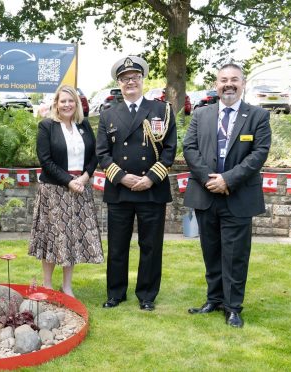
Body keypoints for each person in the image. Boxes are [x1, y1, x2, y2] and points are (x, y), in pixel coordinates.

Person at [183, 63, 271, 328]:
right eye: (223, 80)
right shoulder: (201, 114)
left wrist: (227, 180)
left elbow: (259, 154)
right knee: (211, 251)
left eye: (234, 79)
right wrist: (210, 180)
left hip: (238, 196)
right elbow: (189, 148)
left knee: (235, 255)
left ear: (242, 83)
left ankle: (233, 307)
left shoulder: (257, 116)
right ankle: (214, 299)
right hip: (206, 193)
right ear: (216, 83)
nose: (228, 84)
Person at [95, 56, 177, 311]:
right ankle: (115, 293)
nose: (130, 82)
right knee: (118, 245)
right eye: (124, 78)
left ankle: (147, 295)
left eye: (134, 77)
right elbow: (102, 153)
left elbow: (170, 149)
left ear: (142, 80)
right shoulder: (108, 114)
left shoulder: (161, 110)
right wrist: (121, 176)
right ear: (119, 83)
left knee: (150, 246)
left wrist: (150, 178)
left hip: (151, 189)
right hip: (120, 189)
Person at [29, 85, 104, 298]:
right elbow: (45, 160)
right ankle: (46, 284)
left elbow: (95, 154)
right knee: (53, 236)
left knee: (72, 238)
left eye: (71, 101)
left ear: (77, 104)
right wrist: (68, 181)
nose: (67, 105)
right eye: (63, 101)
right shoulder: (47, 126)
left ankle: (67, 286)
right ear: (56, 104)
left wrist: (85, 177)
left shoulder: (83, 125)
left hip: (80, 187)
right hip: (54, 190)